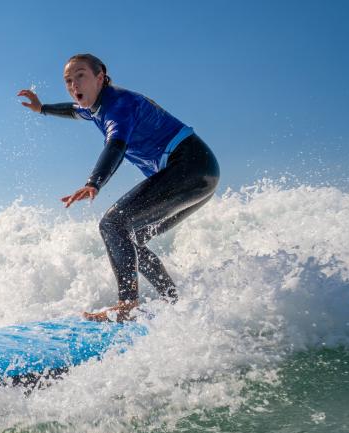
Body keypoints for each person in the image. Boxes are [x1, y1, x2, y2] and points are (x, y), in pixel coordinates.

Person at [17, 53, 220, 322]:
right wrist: (42, 108)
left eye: (81, 76)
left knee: (112, 224)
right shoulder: (94, 108)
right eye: (68, 80)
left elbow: (116, 144)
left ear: (100, 77)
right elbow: (73, 110)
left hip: (190, 165)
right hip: (201, 174)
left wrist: (94, 182)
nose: (74, 85)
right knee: (131, 236)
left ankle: (127, 304)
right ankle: (174, 302)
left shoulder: (118, 105)